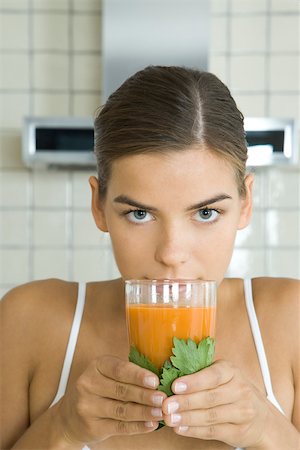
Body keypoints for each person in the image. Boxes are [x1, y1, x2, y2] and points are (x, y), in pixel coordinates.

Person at [1, 66, 299, 450]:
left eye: (206, 213)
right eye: (140, 214)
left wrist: (266, 430)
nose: (171, 254)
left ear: (246, 203)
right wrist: (62, 426)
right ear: (98, 205)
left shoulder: (290, 318)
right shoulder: (27, 321)